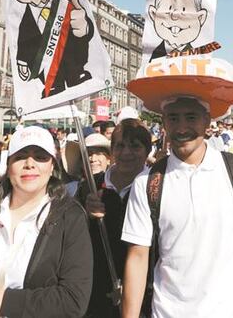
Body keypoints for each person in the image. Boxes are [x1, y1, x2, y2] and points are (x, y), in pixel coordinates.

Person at [121, 95, 233, 318]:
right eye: (174, 118)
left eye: (191, 117)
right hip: (168, 312)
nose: (182, 127)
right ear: (164, 123)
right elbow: (137, 257)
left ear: (207, 122)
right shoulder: (146, 183)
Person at [0, 126, 93, 317]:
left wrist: (6, 302)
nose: (30, 163)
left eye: (40, 156)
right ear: (9, 163)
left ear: (52, 165)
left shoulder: (70, 218)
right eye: (20, 156)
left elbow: (73, 301)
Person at [78, 118, 153, 318]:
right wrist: (85, 213)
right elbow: (73, 237)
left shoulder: (156, 189)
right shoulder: (90, 187)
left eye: (135, 146)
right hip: (95, 291)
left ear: (147, 151)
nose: (126, 153)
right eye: (120, 146)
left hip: (144, 296)